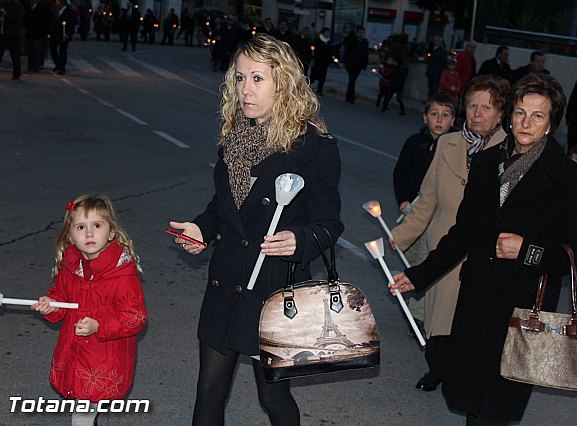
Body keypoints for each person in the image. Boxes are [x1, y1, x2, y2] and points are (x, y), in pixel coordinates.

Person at [390, 73, 577, 425]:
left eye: (537, 115)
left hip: (522, 310)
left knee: (497, 409)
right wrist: (417, 275)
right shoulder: (485, 165)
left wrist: (528, 249)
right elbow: (462, 233)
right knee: (472, 402)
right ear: (509, 116)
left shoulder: (570, 180)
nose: (526, 123)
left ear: (550, 124)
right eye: (519, 113)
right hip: (476, 302)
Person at [167, 34, 343, 425]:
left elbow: (329, 223)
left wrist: (299, 239)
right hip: (227, 280)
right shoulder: (234, 138)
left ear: (283, 83)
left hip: (273, 290)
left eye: (257, 78)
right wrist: (201, 229)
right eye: (240, 77)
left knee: (273, 398)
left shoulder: (314, 147)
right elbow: (225, 208)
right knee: (208, 392)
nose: (245, 89)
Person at [391, 75, 508, 394]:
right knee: (438, 321)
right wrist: (401, 234)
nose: (478, 113)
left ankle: (466, 373)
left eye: (487, 107)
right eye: (473, 105)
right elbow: (427, 198)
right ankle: (438, 370)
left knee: (473, 320)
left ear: (500, 113)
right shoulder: (447, 143)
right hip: (444, 248)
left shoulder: (508, 152)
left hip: (484, 251)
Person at [32, 195, 147, 425]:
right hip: (75, 350)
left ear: (111, 232)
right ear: (70, 236)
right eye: (80, 227)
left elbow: (135, 318)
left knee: (83, 413)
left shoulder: (121, 274)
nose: (89, 233)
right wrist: (50, 305)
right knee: (83, 405)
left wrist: (99, 326)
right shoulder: (72, 264)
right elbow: (61, 297)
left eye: (97, 225)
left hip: (104, 356)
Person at [392, 92, 457, 272]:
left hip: (440, 214)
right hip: (415, 209)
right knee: (412, 258)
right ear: (425, 117)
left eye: (445, 115)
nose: (439, 119)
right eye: (434, 114)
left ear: (452, 120)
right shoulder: (414, 142)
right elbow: (400, 173)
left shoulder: (457, 147)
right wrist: (404, 199)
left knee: (432, 255)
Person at [342, 26, 369, 104]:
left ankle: (348, 95)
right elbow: (347, 52)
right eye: (360, 32)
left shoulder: (365, 42)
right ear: (357, 33)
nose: (361, 34)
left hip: (359, 64)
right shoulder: (352, 41)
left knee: (352, 80)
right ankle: (351, 97)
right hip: (351, 64)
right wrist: (345, 62)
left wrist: (365, 64)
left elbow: (366, 54)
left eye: (362, 33)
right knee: (352, 79)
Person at [0, 0, 25, 80]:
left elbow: (20, 17)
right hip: (2, 33)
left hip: (13, 34)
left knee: (15, 55)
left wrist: (7, 15)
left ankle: (16, 73)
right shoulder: (2, 4)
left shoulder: (18, 5)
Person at [24, 0, 51, 73]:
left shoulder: (43, 7)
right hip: (30, 33)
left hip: (40, 33)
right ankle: (30, 67)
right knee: (30, 50)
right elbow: (25, 19)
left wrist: (46, 31)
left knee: (37, 50)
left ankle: (36, 67)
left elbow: (47, 20)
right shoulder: (27, 8)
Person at [49, 0, 75, 75]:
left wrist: (68, 34)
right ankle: (58, 64)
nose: (57, 3)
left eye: (58, 2)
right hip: (55, 34)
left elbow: (71, 24)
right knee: (52, 49)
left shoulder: (69, 11)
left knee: (62, 51)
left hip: (64, 34)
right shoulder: (55, 10)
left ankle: (62, 68)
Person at [309, 27, 333, 96]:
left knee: (323, 76)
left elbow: (331, 51)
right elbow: (313, 50)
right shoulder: (317, 40)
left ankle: (319, 90)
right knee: (313, 75)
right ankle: (307, 87)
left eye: (329, 33)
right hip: (317, 61)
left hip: (325, 62)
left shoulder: (329, 42)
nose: (328, 34)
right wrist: (312, 58)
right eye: (326, 33)